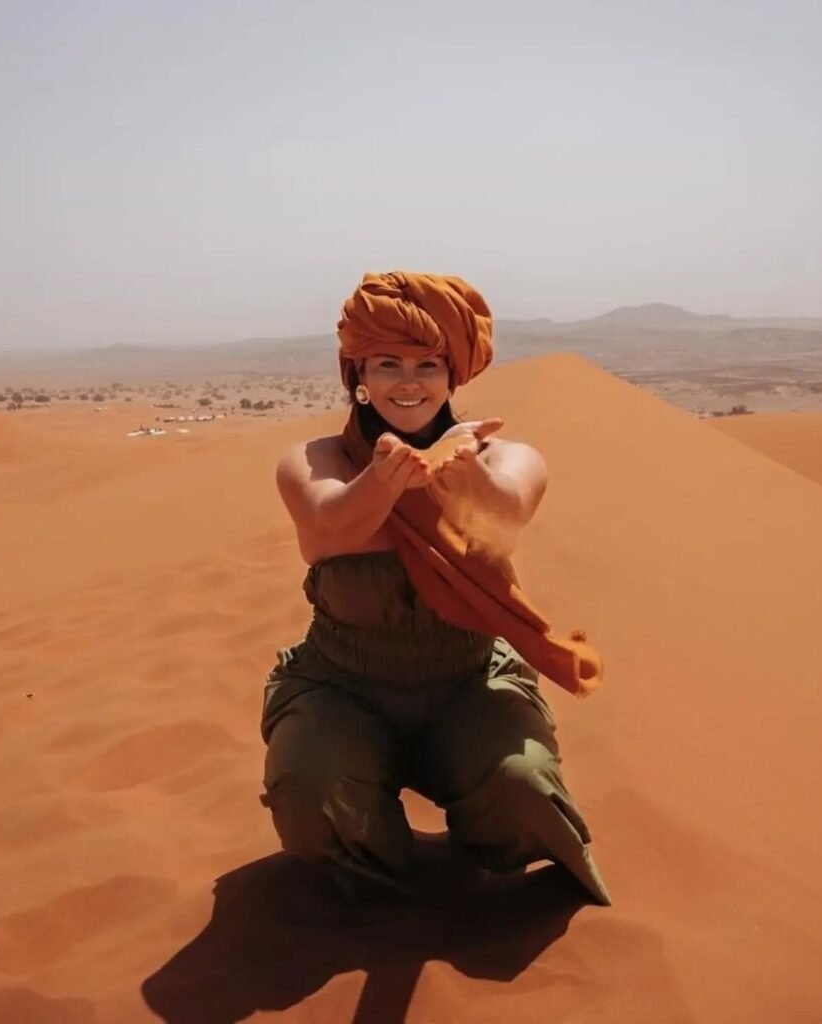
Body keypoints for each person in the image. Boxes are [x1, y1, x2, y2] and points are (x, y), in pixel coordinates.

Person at [260, 271, 610, 905]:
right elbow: (328, 529)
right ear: (358, 377)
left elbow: (503, 513)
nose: (409, 382)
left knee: (525, 790)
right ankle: (382, 869)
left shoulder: (509, 457)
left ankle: (482, 853)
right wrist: (392, 477)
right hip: (342, 684)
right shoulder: (312, 462)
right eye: (388, 363)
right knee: (311, 794)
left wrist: (458, 463)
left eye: (428, 365)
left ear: (453, 379)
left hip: (467, 681)